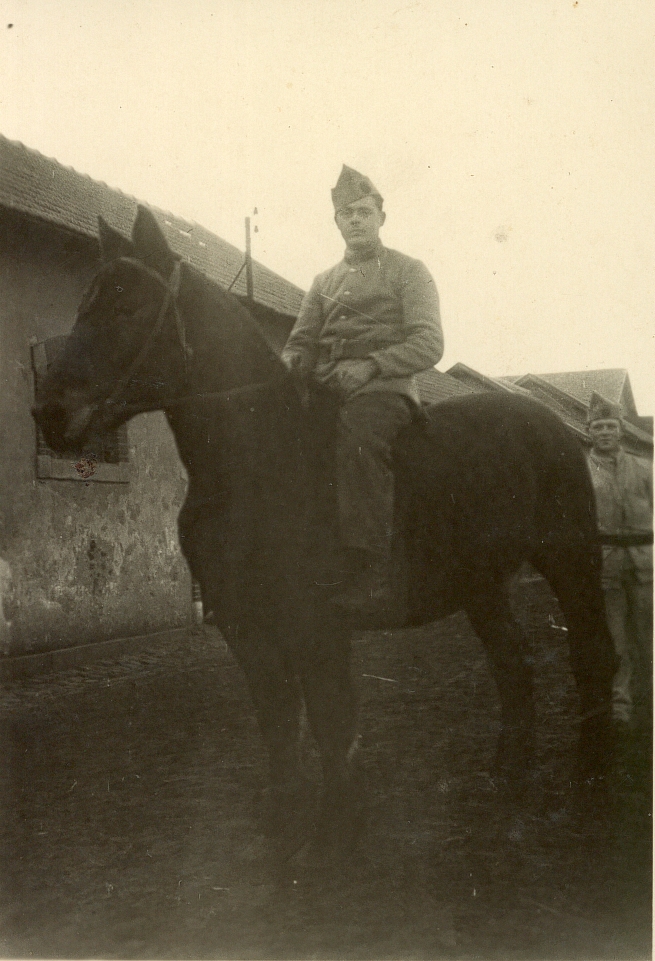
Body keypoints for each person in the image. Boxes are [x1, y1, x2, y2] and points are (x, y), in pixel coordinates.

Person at [281, 165, 444, 614]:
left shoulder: (410, 271)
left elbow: (430, 341)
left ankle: (374, 571)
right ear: (336, 222)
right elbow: (300, 342)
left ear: (381, 218)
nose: (355, 220)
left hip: (386, 390)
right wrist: (288, 367)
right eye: (346, 214)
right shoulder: (323, 282)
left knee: (357, 443)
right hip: (329, 387)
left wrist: (371, 365)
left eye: (364, 212)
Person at [586, 392, 653, 729]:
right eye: (598, 426)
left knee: (649, 632)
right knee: (615, 638)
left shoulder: (646, 468)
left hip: (646, 564)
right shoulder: (581, 473)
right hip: (607, 563)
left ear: (622, 429)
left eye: (611, 425)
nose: (605, 432)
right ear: (589, 432)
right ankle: (620, 704)